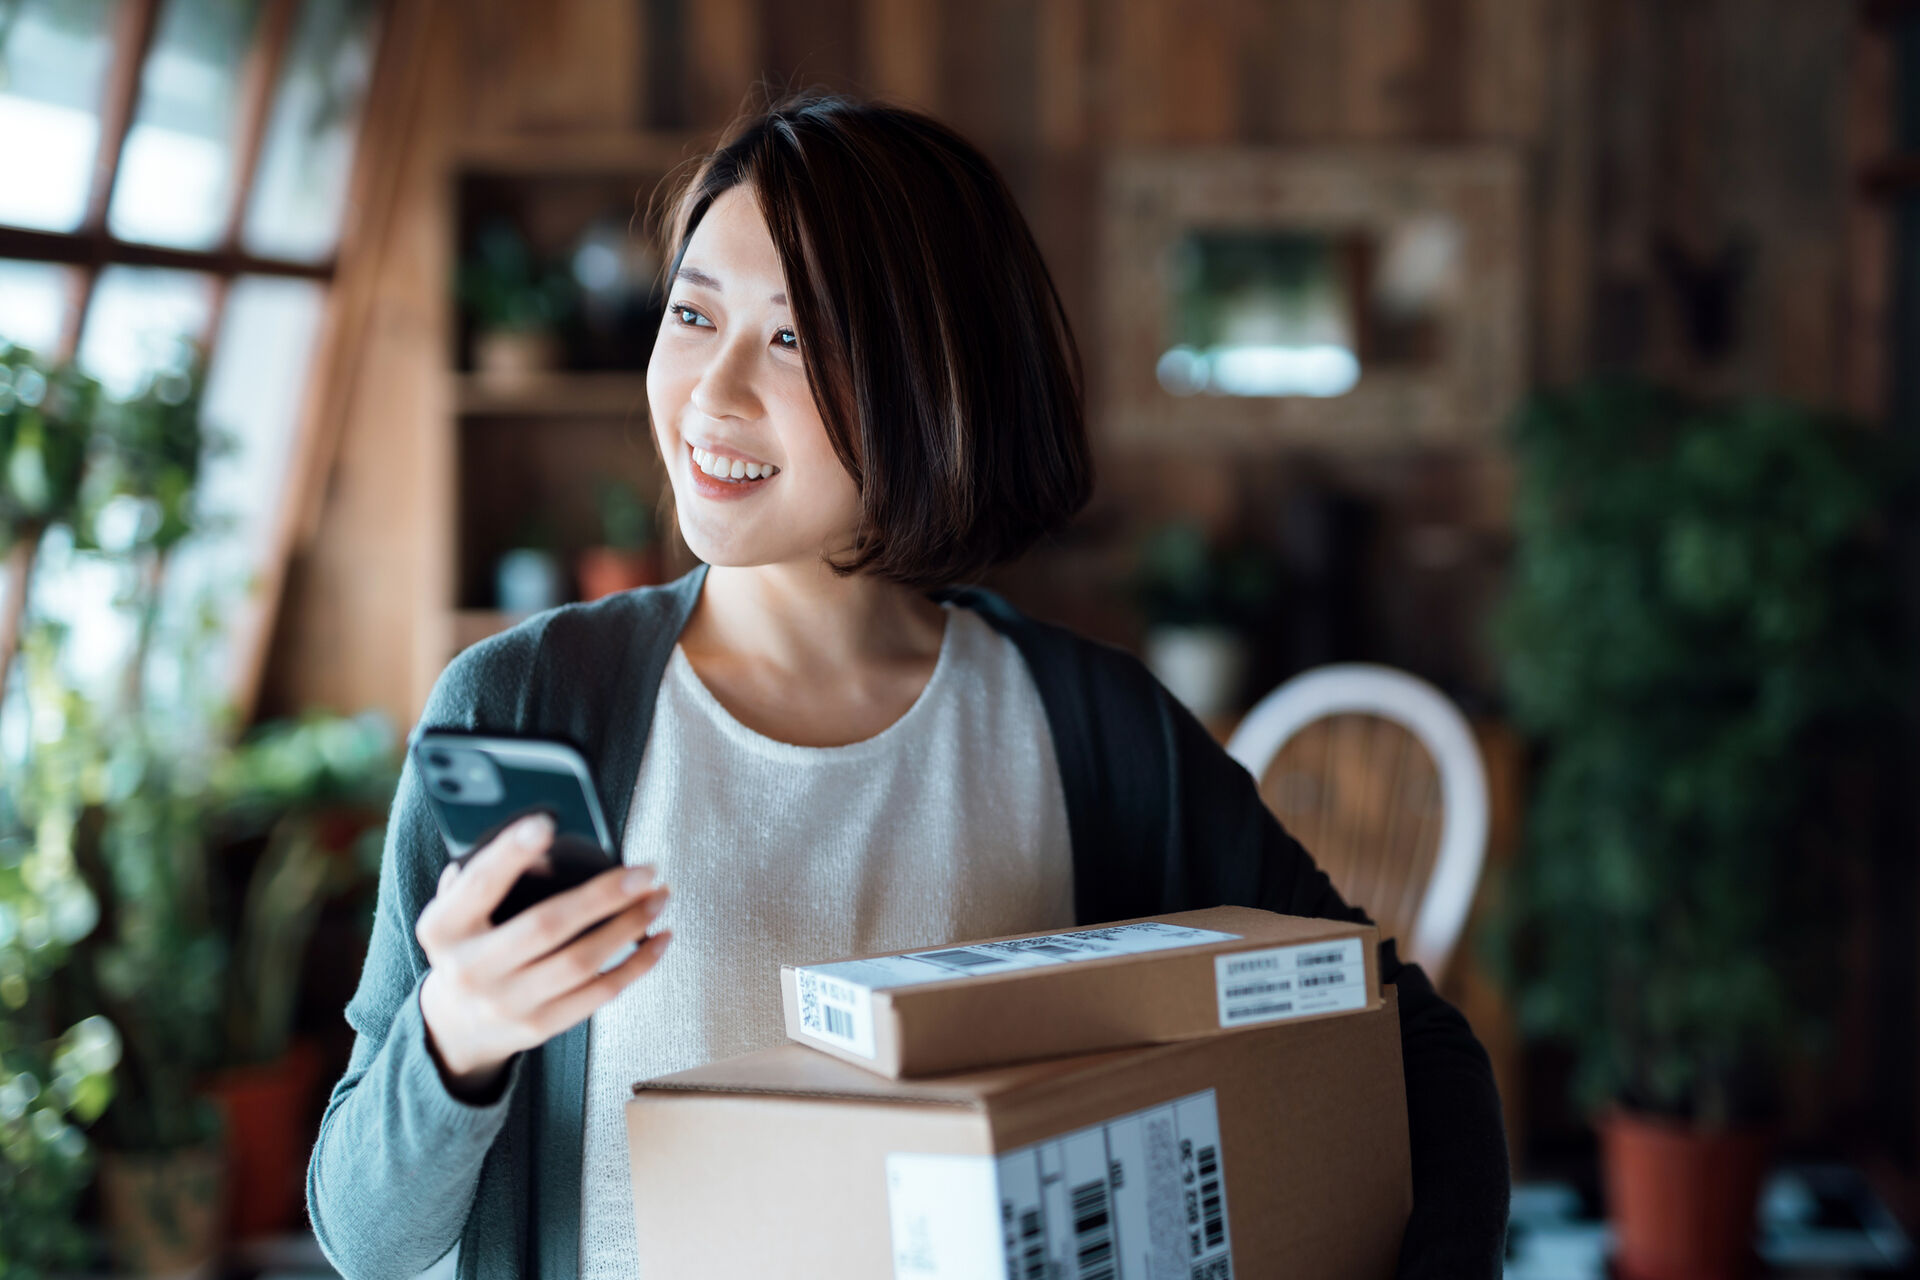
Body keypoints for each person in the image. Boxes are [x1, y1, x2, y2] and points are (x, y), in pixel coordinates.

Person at [307, 92, 1510, 1280]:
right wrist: (454, 1041)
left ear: (937, 383)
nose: (712, 393)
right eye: (692, 313)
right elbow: (364, 1237)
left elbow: (1416, 1060)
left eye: (793, 339)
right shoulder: (525, 704)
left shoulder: (1092, 728)